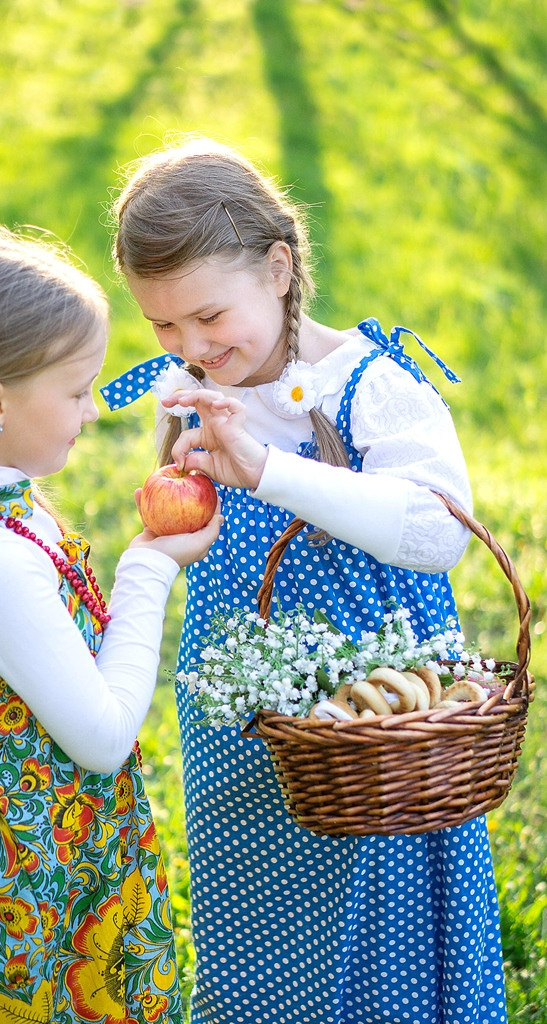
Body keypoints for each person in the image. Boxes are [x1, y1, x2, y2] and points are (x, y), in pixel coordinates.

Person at [100, 138, 508, 1024]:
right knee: (252, 912)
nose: (191, 345)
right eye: (162, 326)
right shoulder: (195, 387)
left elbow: (439, 531)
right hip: (241, 722)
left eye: (208, 315)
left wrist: (268, 472)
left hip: (369, 731)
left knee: (376, 914)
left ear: (278, 268)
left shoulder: (372, 385)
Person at [0, 222, 222, 1024]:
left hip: (25, 847)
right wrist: (150, 566)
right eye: (75, 390)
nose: (92, 410)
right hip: (21, 883)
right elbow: (100, 737)